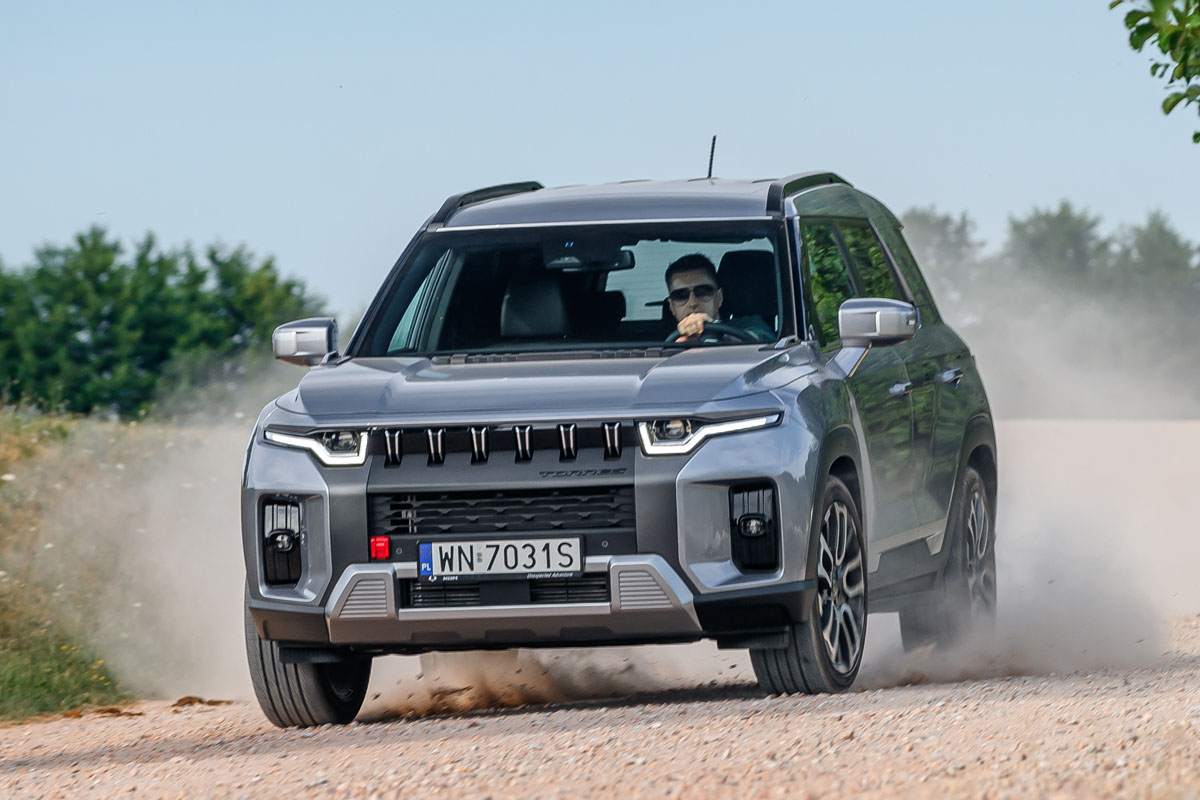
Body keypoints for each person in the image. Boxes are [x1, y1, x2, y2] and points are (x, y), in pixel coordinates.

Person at [665, 253, 771, 343]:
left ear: (719, 298)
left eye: (703, 292)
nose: (693, 302)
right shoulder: (658, 338)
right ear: (671, 306)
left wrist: (716, 331)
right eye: (681, 296)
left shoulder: (748, 324)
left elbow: (762, 340)